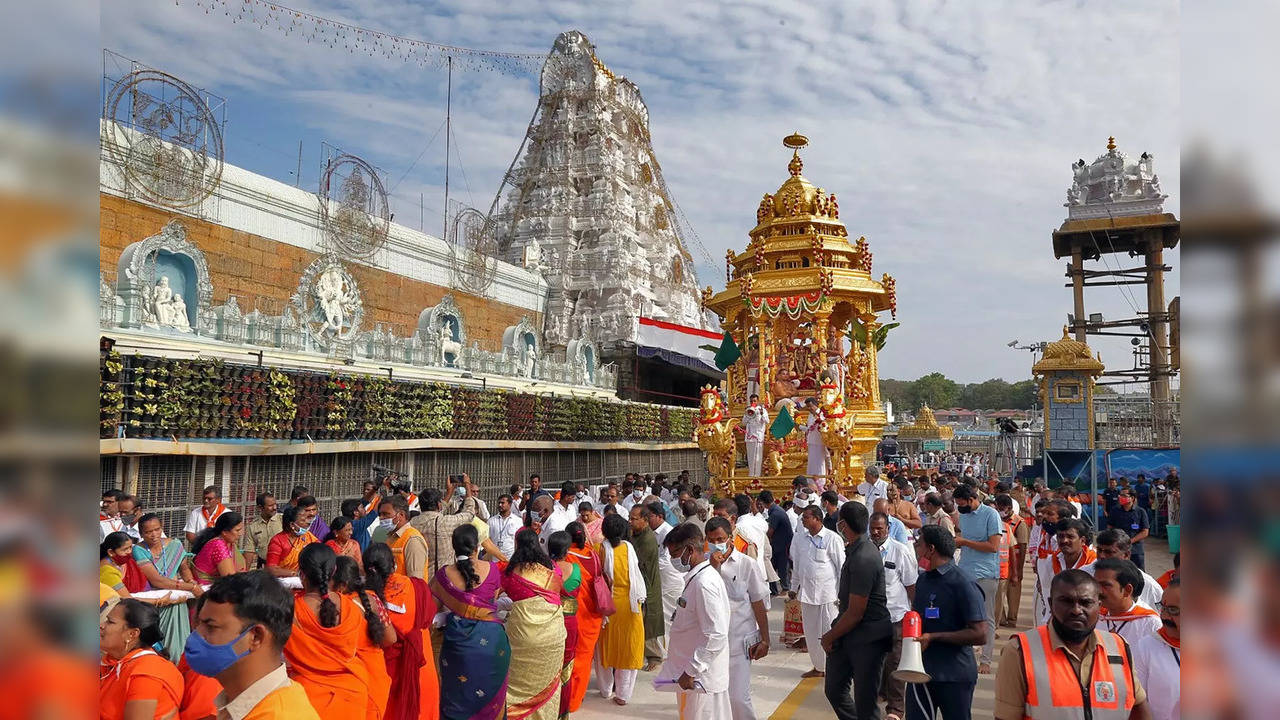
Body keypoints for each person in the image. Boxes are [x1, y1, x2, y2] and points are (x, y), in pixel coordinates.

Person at [994, 570, 1150, 720]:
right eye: (1066, 601)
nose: (1076, 610)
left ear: (1099, 605)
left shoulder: (1118, 646)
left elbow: (1138, 705)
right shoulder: (1019, 651)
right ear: (1051, 604)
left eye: (1086, 602)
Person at [186, 571, 321, 719]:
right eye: (198, 624)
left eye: (210, 627)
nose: (196, 635)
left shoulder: (279, 715)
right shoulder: (243, 702)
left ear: (256, 637)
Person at [428, 524, 509, 720]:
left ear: (454, 547)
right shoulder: (492, 569)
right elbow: (492, 600)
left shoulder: (443, 576)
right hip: (493, 643)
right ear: (477, 547)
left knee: (457, 698)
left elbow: (431, 608)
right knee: (491, 700)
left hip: (458, 646)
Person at [821, 501, 892, 720]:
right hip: (849, 631)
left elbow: (856, 612)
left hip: (868, 635)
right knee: (834, 689)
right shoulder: (855, 549)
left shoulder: (864, 557)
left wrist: (829, 636)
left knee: (865, 701)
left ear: (842, 525)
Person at [908, 525, 986, 720]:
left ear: (931, 549)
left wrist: (934, 637)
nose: (916, 547)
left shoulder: (963, 583)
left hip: (954, 676)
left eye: (919, 543)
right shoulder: (923, 580)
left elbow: (980, 633)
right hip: (920, 672)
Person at [284, 543, 370, 718]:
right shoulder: (352, 607)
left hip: (306, 697)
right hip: (353, 693)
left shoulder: (291, 611)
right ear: (334, 570)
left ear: (301, 574)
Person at [659, 522, 733, 719]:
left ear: (690, 550)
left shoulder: (704, 584)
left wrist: (691, 671)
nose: (672, 560)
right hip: (692, 677)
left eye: (675, 554)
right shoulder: (697, 578)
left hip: (700, 679)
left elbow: (716, 634)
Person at [365, 543, 439, 720]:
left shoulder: (366, 599)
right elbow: (429, 617)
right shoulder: (418, 586)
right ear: (394, 564)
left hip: (389, 676)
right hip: (422, 669)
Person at [501, 528, 568, 720]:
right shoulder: (553, 569)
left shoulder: (509, 574)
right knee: (548, 682)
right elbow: (557, 594)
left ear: (517, 545)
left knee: (518, 683)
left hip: (523, 637)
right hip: (553, 635)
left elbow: (498, 597)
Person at [99, 599, 184, 720]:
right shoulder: (113, 662)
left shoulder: (147, 673)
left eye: (110, 622)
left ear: (132, 634)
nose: (101, 625)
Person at [333, 555, 395, 720]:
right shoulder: (372, 598)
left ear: (340, 586)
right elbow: (391, 638)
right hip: (377, 674)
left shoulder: (341, 607)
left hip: (355, 679)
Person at [871, 511, 919, 720]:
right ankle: (878, 693)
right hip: (871, 618)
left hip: (896, 616)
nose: (875, 532)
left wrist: (913, 614)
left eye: (879, 529)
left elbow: (910, 585)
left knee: (895, 662)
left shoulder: (900, 552)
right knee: (874, 660)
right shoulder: (864, 550)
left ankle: (896, 709)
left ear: (888, 529)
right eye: (872, 528)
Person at [133, 513, 201, 658]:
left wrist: (190, 581)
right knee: (158, 644)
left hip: (176, 602)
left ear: (161, 527)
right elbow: (157, 581)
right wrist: (191, 588)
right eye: (148, 532)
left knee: (179, 644)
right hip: (154, 602)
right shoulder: (138, 550)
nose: (153, 535)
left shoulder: (175, 545)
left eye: (157, 529)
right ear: (141, 533)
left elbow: (184, 569)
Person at [789, 504, 845, 678]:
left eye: (806, 517)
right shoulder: (800, 539)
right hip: (807, 594)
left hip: (828, 595)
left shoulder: (832, 538)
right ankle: (819, 667)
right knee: (811, 634)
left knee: (829, 632)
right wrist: (793, 587)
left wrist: (842, 594)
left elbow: (841, 567)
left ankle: (834, 667)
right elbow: (797, 566)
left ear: (817, 519)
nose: (802, 520)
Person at [951, 484, 1002, 674]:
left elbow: (993, 546)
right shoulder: (963, 516)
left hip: (986, 573)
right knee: (965, 615)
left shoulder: (991, 515)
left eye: (962, 504)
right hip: (965, 571)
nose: (959, 508)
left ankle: (986, 660)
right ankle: (965, 655)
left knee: (986, 617)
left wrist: (964, 542)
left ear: (972, 500)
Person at [596, 512, 646, 705]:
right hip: (631, 604)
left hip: (609, 605)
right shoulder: (629, 547)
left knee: (605, 648)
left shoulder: (601, 549)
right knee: (628, 647)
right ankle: (623, 694)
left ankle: (605, 690)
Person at [563, 521, 605, 712]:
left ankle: (568, 700)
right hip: (593, 616)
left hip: (575, 614)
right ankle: (577, 698)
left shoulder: (567, 557)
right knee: (585, 659)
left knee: (571, 658)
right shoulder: (593, 554)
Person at [1131, 580, 1179, 720]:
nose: (1164, 617)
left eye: (1173, 610)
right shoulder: (1146, 648)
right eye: (1163, 608)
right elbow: (1137, 704)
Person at [410, 480, 478, 579]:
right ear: (438, 504)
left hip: (421, 577)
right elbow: (469, 513)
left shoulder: (412, 522)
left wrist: (449, 492)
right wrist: (467, 486)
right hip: (442, 579)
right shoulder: (445, 522)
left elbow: (435, 513)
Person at [547, 531, 583, 719]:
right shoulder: (575, 569)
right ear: (567, 550)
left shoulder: (544, 571)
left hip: (548, 622)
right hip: (569, 622)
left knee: (548, 668)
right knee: (566, 669)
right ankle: (562, 713)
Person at [1036, 518, 1097, 626]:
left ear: (1082, 541)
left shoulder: (1093, 564)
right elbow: (1047, 593)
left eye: (1070, 537)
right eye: (1061, 536)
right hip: (1056, 619)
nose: (1064, 541)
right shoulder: (1049, 562)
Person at [627, 504, 665, 672]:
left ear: (645, 520)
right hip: (639, 584)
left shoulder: (648, 540)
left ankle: (655, 657)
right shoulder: (635, 534)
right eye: (630, 518)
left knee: (647, 624)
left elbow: (639, 565)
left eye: (634, 519)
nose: (630, 521)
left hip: (646, 584)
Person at [1084, 529, 1162, 608]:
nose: (1101, 556)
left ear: (1126, 555)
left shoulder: (1149, 585)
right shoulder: (1083, 575)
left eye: (1109, 552)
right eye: (1099, 550)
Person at [646, 500, 684, 661]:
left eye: (649, 517)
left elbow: (666, 560)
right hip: (660, 580)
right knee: (661, 618)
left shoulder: (668, 532)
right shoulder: (651, 533)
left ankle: (670, 651)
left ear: (659, 516)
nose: (647, 520)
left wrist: (646, 566)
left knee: (669, 618)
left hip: (670, 580)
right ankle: (663, 650)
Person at [1094, 558, 1161, 647]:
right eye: (1095, 584)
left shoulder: (1150, 623)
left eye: (1106, 585)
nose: (1098, 590)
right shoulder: (1095, 617)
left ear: (1127, 590)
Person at [995, 494, 1030, 628]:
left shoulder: (1019, 523)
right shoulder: (998, 520)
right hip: (1002, 564)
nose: (999, 510)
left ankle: (1012, 619)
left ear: (1008, 508)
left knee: (1013, 593)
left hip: (1014, 563)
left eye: (1001, 508)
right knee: (999, 595)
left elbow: (1022, 547)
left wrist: (1019, 571)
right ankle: (1002, 619)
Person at [379, 495, 428, 579]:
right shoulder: (390, 537)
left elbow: (415, 579)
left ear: (401, 515)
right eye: (380, 514)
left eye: (386, 514)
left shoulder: (412, 540)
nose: (381, 518)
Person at [264, 505, 317, 578]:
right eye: (303, 521)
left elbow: (321, 551)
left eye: (307, 520)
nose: (307, 523)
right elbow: (271, 569)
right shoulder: (277, 541)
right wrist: (297, 574)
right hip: (283, 584)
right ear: (292, 525)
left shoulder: (307, 536)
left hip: (304, 582)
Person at [759, 490, 795, 595]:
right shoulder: (776, 510)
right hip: (778, 543)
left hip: (782, 544)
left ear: (763, 502)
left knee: (782, 566)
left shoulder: (776, 513)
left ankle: (785, 587)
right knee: (773, 566)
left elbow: (770, 532)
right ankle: (774, 589)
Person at [1106, 489, 1150, 571]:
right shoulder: (1115, 511)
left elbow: (1145, 532)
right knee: (1118, 572)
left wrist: (1130, 541)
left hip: (1135, 550)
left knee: (1138, 572)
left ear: (1132, 498)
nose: (1120, 497)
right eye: (1120, 495)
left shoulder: (1140, 512)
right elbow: (1110, 527)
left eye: (1124, 496)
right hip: (1118, 549)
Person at [100, 531, 150, 598]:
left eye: (130, 547)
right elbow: (127, 599)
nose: (129, 551)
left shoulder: (127, 562)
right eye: (125, 549)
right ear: (111, 552)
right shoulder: (106, 571)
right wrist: (158, 601)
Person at [244, 492, 282, 569]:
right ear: (260, 508)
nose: (275, 507)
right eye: (270, 506)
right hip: (264, 566)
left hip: (283, 565)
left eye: (275, 504)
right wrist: (244, 572)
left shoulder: (283, 520)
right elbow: (249, 551)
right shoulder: (252, 526)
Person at [801, 398, 829, 488]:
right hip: (812, 441)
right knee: (812, 463)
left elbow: (824, 426)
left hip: (819, 442)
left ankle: (820, 483)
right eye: (807, 407)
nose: (809, 408)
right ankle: (811, 483)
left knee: (819, 463)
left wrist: (819, 418)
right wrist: (800, 427)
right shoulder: (810, 415)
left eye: (810, 406)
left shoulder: (822, 414)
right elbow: (809, 428)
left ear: (815, 405)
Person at [488, 493, 523, 559]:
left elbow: (520, 541)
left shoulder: (518, 521)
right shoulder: (491, 521)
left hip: (511, 558)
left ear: (509, 504)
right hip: (495, 559)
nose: (500, 505)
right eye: (499, 503)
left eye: (503, 503)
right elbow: (487, 539)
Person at [743, 393, 769, 476]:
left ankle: (756, 476)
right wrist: (748, 414)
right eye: (751, 401)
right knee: (750, 457)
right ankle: (751, 475)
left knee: (757, 457)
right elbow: (743, 422)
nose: (753, 402)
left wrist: (761, 413)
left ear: (757, 401)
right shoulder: (748, 410)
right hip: (749, 437)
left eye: (754, 401)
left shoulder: (762, 410)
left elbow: (767, 421)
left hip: (758, 437)